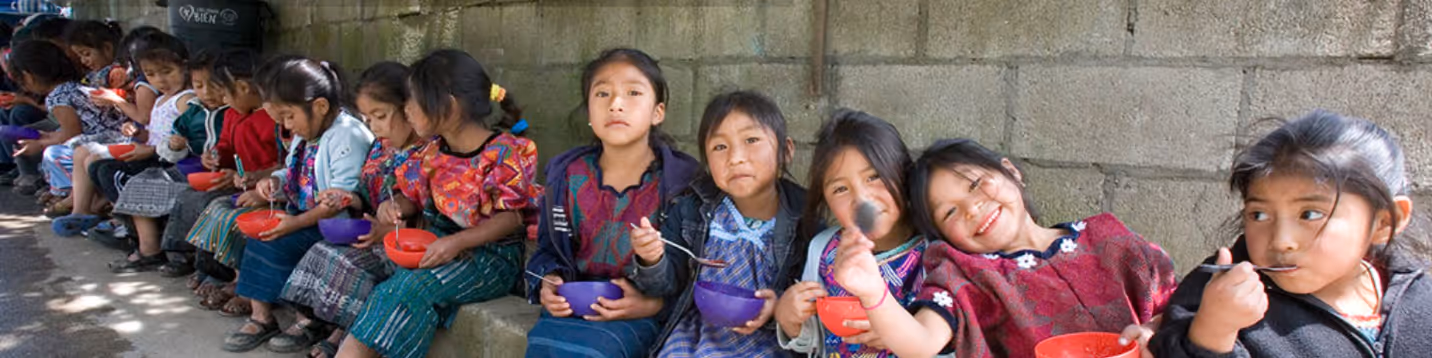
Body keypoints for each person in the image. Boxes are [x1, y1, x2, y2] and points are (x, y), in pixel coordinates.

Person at [1150, 110, 1432, 357]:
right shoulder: (1213, 294)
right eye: (1259, 215)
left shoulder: (1420, 302)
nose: (1281, 241)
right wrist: (1213, 330)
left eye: (1309, 214)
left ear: (1384, 222)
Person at [524, 48, 700, 358]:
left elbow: (692, 275)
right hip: (572, 310)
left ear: (658, 112)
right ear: (589, 112)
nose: (616, 104)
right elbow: (547, 252)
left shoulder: (680, 184)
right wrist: (547, 284)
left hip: (642, 316)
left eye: (633, 92)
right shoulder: (567, 175)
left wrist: (653, 299)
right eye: (602, 93)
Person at [631, 90, 805, 357]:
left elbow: (814, 290)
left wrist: (778, 306)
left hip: (770, 338)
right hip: (699, 332)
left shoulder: (805, 217)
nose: (735, 157)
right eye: (720, 147)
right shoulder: (692, 211)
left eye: (751, 140)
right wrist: (651, 259)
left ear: (786, 151)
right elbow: (665, 287)